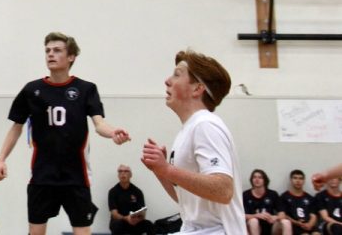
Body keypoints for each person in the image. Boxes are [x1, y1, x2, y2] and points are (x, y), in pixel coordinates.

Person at [0, 32, 130, 235]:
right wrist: (1, 159)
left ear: (71, 56)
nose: (51, 54)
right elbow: (16, 127)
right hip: (42, 175)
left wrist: (113, 133)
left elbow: (99, 124)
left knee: (82, 231)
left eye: (57, 50)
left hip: (76, 176)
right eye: (47, 50)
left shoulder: (85, 89)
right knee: (36, 230)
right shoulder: (32, 90)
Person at [141, 49, 245, 235]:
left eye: (177, 74)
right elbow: (186, 199)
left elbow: (223, 190)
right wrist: (161, 172)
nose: (167, 80)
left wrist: (167, 169)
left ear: (197, 88)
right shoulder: (189, 129)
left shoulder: (205, 125)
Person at [108, 165, 153, 235]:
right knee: (117, 225)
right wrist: (126, 218)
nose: (123, 173)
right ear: (118, 175)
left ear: (130, 175)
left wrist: (137, 219)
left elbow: (143, 212)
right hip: (120, 221)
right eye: (120, 171)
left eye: (126, 171)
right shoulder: (113, 192)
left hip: (134, 221)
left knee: (149, 224)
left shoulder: (137, 191)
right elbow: (114, 214)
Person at [277, 169, 318, 235]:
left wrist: (310, 224)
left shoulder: (309, 198)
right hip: (294, 225)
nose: (298, 181)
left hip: (308, 224)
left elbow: (313, 215)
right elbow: (283, 215)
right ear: (291, 180)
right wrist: (296, 222)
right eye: (295, 178)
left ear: (304, 181)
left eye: (300, 178)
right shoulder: (284, 197)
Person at [243, 169, 281, 235]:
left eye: (260, 177)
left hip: (270, 225)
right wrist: (256, 216)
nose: (257, 179)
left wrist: (275, 217)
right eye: (254, 177)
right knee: (253, 221)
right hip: (253, 226)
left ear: (265, 180)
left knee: (285, 222)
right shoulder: (245, 195)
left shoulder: (273, 194)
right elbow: (241, 215)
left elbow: (282, 214)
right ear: (251, 180)